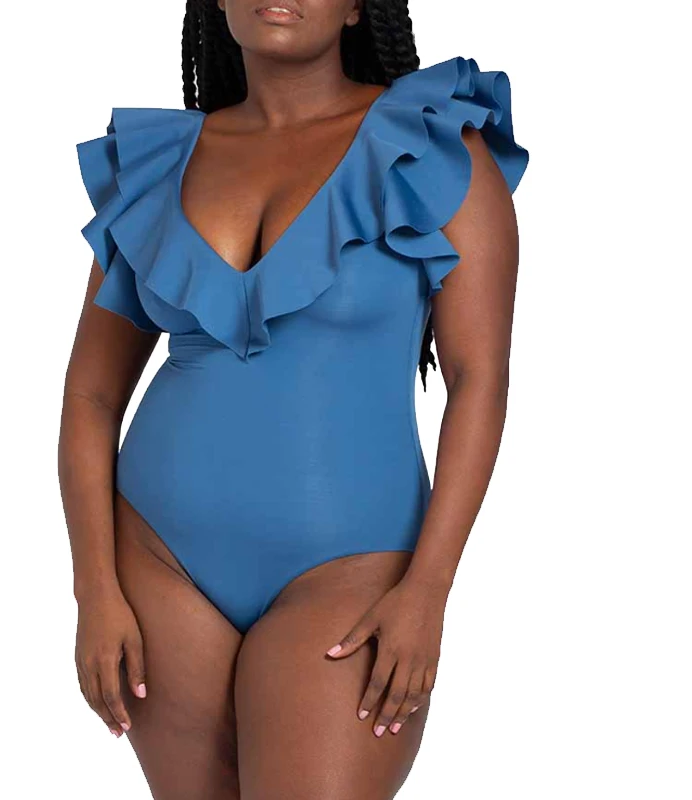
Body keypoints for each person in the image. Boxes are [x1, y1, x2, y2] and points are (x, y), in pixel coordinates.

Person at [58, 0, 529, 797]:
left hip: (350, 569)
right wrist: (93, 588)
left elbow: (479, 381)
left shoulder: (432, 145)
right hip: (158, 562)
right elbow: (92, 393)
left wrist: (429, 590)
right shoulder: (157, 164)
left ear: (357, 7)